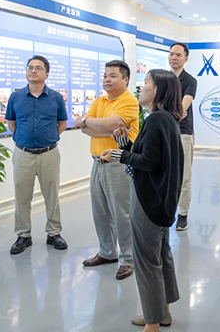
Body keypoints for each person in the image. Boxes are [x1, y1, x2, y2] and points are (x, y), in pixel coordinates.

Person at [100, 69, 184, 332]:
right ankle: (163, 312)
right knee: (160, 254)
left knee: (146, 261)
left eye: (146, 82)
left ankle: (152, 323)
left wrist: (116, 155)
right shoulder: (166, 118)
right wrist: (123, 141)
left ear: (157, 89)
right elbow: (147, 153)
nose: (141, 87)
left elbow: (148, 161)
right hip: (160, 199)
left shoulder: (157, 119)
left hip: (148, 199)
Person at [75, 60, 138, 280]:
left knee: (122, 213)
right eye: (105, 76)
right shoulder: (99, 100)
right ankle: (107, 252)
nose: (107, 80)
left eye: (112, 76)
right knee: (100, 212)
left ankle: (128, 259)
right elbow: (83, 129)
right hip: (97, 163)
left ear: (125, 80)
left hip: (119, 164)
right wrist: (95, 125)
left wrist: (88, 121)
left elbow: (109, 125)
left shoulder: (129, 101)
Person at [6, 55, 68, 255]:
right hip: (23, 153)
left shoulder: (56, 98)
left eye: (38, 68)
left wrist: (48, 138)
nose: (33, 71)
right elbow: (12, 123)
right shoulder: (15, 97)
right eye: (30, 67)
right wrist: (23, 139)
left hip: (49, 153)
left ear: (46, 74)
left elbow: (62, 123)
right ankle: (23, 235)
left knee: (52, 193)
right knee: (22, 195)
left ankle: (54, 233)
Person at [168, 42, 197, 231]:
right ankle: (166, 211)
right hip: (164, 132)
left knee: (184, 177)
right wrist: (175, 111)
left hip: (183, 133)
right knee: (165, 175)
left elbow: (182, 108)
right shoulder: (162, 79)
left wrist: (174, 110)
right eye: (171, 54)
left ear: (185, 59)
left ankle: (183, 215)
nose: (173, 57)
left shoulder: (189, 81)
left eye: (178, 55)